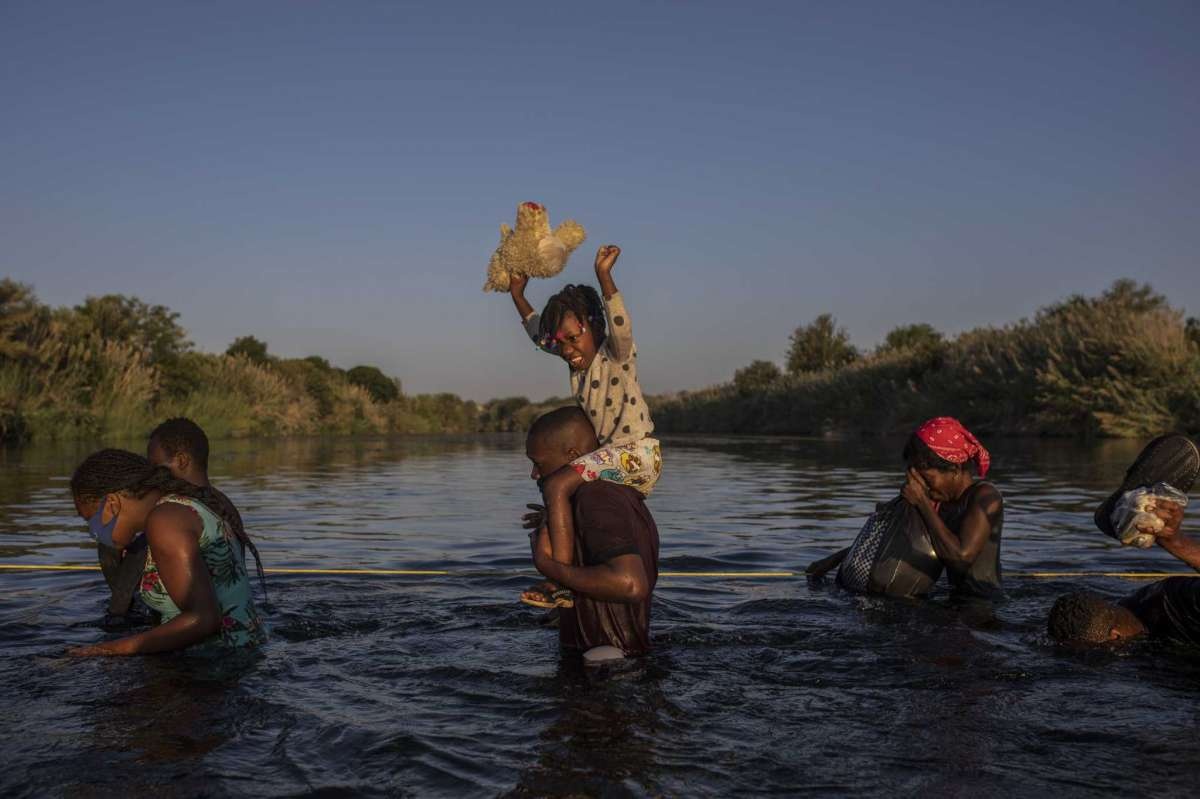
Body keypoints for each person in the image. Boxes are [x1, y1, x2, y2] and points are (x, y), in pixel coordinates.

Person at [507, 244, 662, 609]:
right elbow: (540, 335)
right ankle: (561, 582)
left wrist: (604, 277)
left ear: (593, 326)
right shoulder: (572, 362)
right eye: (560, 344)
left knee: (556, 484)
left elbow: (620, 325)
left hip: (637, 454)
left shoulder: (615, 355)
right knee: (553, 506)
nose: (566, 350)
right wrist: (518, 294)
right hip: (611, 459)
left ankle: (556, 580)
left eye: (573, 339)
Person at [66, 449, 266, 656]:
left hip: (214, 664)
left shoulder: (164, 521)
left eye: (89, 520)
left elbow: (204, 619)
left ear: (113, 504)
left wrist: (104, 650)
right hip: (240, 653)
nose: (93, 531)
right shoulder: (182, 505)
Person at [808, 417, 1003, 600]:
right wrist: (833, 560)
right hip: (950, 600)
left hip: (982, 604)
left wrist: (922, 503)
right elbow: (896, 541)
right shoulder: (937, 503)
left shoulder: (985, 497)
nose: (923, 487)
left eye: (927, 478)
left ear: (954, 470)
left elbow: (961, 558)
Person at [522, 407, 659, 662]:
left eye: (538, 463)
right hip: (613, 660)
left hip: (604, 670)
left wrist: (547, 565)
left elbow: (630, 584)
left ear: (574, 456)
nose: (534, 474)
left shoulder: (596, 499)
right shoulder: (610, 496)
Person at [1048, 501, 1200, 645]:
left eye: (1098, 653)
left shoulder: (1176, 604)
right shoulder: (1129, 628)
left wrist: (1174, 541)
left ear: (1115, 637)